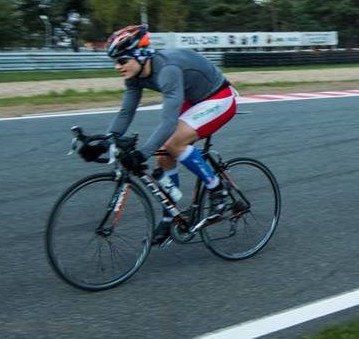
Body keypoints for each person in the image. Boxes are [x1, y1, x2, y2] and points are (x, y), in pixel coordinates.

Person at [76, 24, 239, 243]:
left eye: (122, 60)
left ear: (140, 55)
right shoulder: (134, 76)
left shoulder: (167, 70)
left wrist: (142, 153)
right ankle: (170, 216)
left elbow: (168, 123)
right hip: (193, 100)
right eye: (115, 61)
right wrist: (105, 143)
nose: (117, 66)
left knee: (173, 143)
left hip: (219, 97)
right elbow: (126, 113)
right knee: (163, 154)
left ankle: (217, 188)